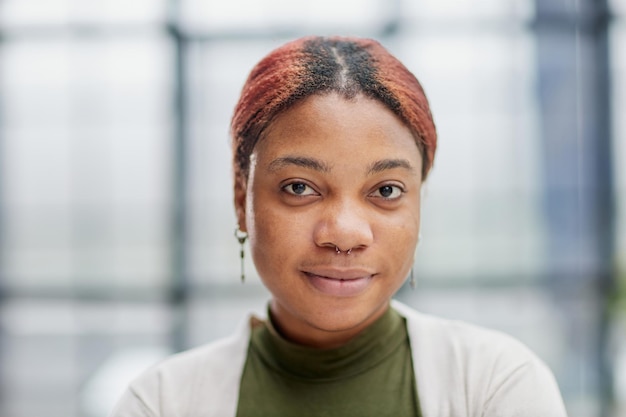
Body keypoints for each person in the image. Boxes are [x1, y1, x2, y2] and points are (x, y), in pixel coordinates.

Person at [110, 36, 567, 417]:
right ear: (240, 197)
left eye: (386, 191)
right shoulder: (161, 402)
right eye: (299, 187)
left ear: (420, 201)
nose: (345, 233)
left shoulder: (496, 385)